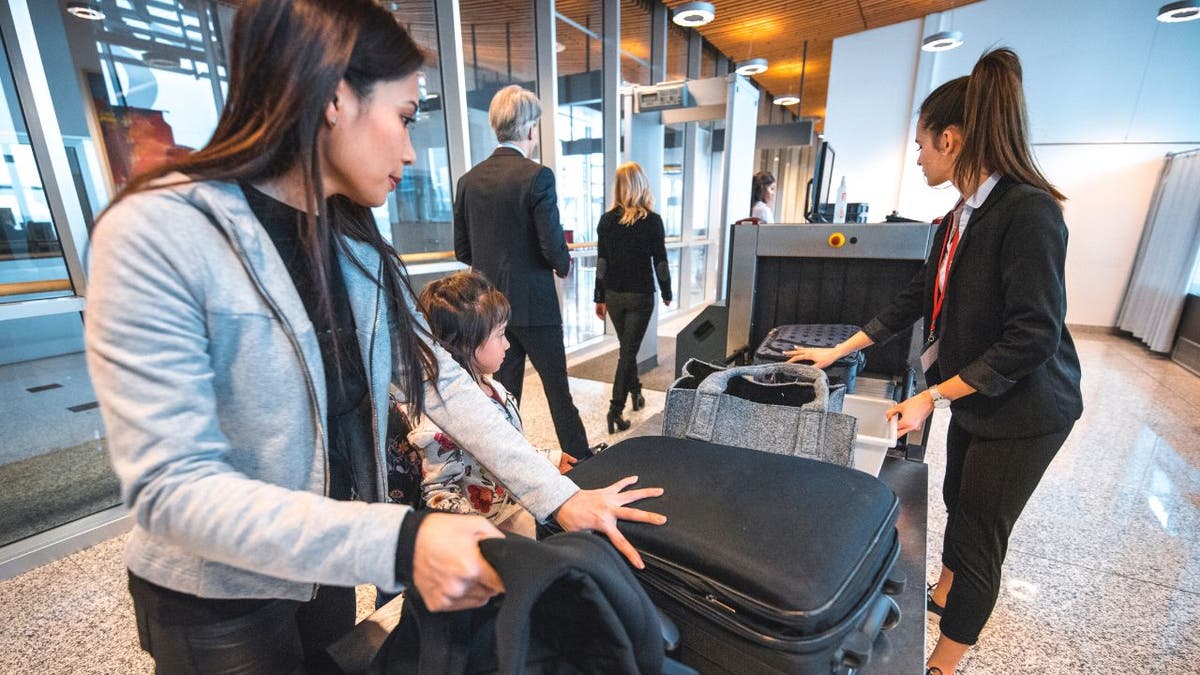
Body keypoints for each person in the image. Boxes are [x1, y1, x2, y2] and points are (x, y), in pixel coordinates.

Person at [83, 2, 663, 671]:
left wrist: (560, 496)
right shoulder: (160, 231)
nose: (412, 150)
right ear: (335, 97)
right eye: (406, 115)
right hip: (219, 596)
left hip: (324, 564)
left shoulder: (352, 239)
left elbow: (441, 379)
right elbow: (170, 488)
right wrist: (402, 540)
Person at [785, 48, 1082, 675]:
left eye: (922, 144)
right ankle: (942, 594)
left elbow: (1033, 336)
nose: (918, 156)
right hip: (980, 394)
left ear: (951, 139)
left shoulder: (1028, 212)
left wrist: (933, 395)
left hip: (1028, 407)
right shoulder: (957, 218)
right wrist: (836, 352)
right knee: (953, 490)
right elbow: (915, 298)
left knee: (978, 533)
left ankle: (945, 662)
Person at [454, 85, 592, 460]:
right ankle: (580, 463)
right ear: (530, 128)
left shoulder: (468, 181)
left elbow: (462, 250)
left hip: (490, 309)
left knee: (503, 393)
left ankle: (508, 465)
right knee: (557, 393)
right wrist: (564, 265)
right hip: (536, 306)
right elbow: (552, 246)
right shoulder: (537, 177)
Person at [412, 271, 576, 538]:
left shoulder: (492, 387)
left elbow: (506, 444)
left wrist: (550, 457)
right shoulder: (439, 423)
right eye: (500, 335)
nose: (508, 344)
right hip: (494, 532)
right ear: (466, 343)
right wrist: (485, 535)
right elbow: (439, 494)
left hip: (516, 507)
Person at [593, 162, 672, 434]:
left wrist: (599, 297)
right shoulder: (652, 221)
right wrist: (667, 291)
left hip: (614, 295)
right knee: (628, 351)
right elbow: (660, 262)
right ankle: (615, 409)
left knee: (628, 348)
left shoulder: (606, 221)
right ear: (641, 184)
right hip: (640, 296)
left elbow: (602, 262)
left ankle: (637, 393)